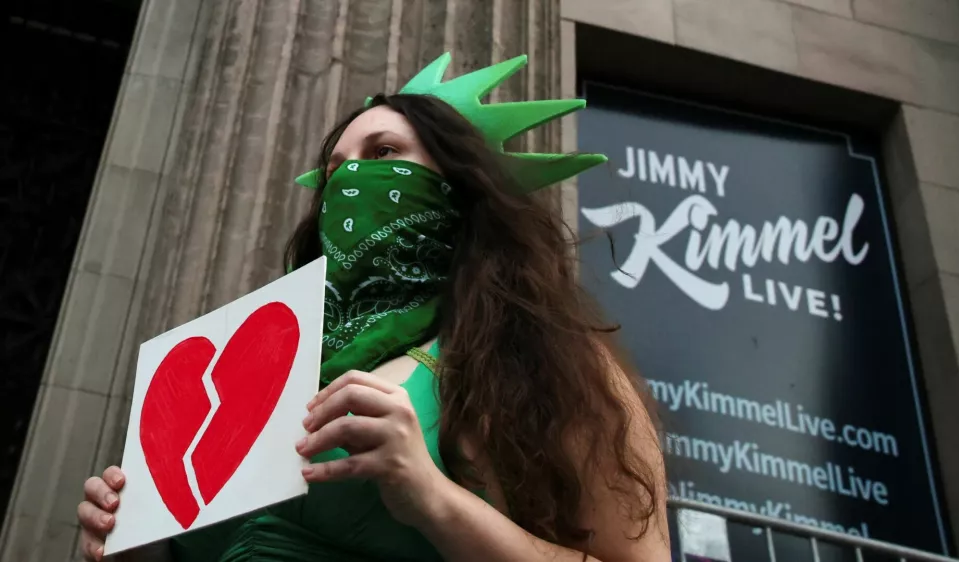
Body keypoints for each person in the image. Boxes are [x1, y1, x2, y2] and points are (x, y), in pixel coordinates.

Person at [76, 53, 669, 562]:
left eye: (384, 152)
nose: (351, 177)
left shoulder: (543, 362)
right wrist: (131, 537)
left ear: (461, 185)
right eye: (335, 169)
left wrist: (433, 498)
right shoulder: (257, 366)